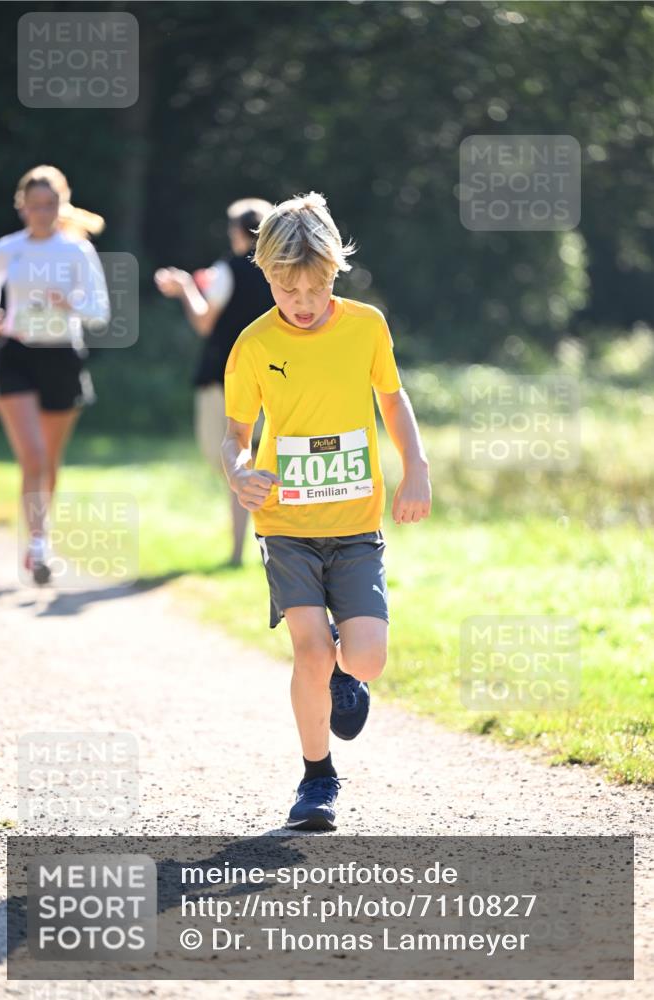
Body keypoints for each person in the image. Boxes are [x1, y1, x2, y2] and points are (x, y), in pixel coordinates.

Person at [221, 192, 432, 830]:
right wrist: (239, 473)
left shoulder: (366, 326)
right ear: (266, 276)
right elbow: (235, 433)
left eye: (314, 288)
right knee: (309, 651)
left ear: (335, 269)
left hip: (355, 526)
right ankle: (318, 779)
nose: (303, 303)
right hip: (286, 527)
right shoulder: (253, 345)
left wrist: (415, 467)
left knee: (365, 659)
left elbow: (393, 403)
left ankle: (349, 672)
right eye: (288, 291)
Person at [0, 165, 110, 584]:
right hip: (16, 354)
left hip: (62, 358)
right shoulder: (8, 247)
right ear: (21, 207)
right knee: (34, 457)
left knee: (49, 463)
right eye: (34, 205)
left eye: (50, 205)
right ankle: (38, 547)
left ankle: (40, 537)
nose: (41, 213)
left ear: (61, 205)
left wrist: (69, 303)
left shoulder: (77, 252)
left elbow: (100, 312)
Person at [154, 198, 273, 566]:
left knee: (230, 460)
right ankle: (265, 547)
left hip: (228, 378)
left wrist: (187, 287)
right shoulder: (280, 270)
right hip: (275, 378)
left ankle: (239, 551)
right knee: (260, 463)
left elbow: (205, 322)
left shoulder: (228, 269)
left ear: (238, 232)